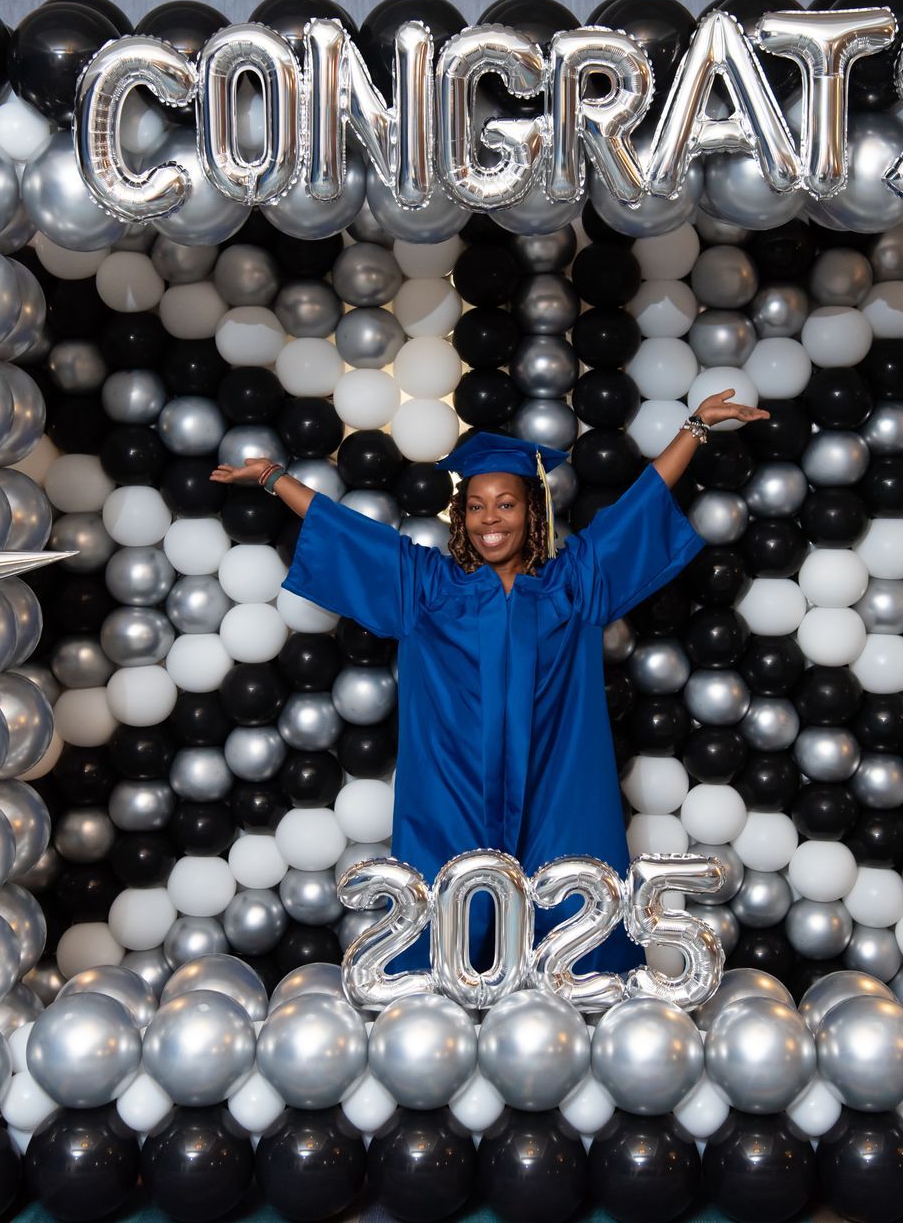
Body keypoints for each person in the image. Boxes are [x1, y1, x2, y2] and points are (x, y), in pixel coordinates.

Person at [211, 389, 770, 973]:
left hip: (558, 781)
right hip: (452, 786)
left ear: (532, 511)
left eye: (505, 504)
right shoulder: (426, 589)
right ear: (461, 515)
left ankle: (581, 992)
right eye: (476, 506)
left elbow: (639, 506)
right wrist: (276, 478)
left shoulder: (574, 585)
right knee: (447, 900)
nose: (490, 519)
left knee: (573, 887)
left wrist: (695, 427)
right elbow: (350, 533)